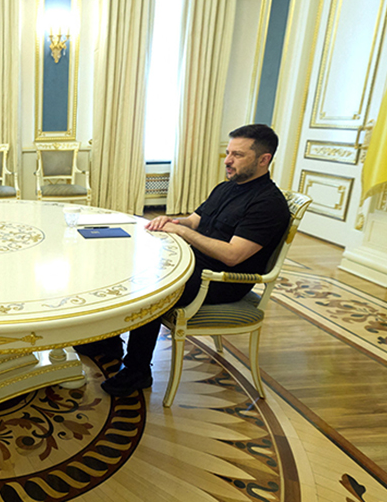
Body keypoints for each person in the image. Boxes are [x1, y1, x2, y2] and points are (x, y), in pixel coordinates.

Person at [75, 124, 291, 397]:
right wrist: (174, 222)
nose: (227, 160)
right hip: (196, 264)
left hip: (222, 281)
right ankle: (109, 343)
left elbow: (232, 255)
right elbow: (194, 221)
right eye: (227, 152)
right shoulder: (227, 188)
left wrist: (183, 232)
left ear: (264, 159)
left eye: (237, 155)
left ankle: (138, 370)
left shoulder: (267, 203)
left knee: (149, 286)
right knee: (124, 264)